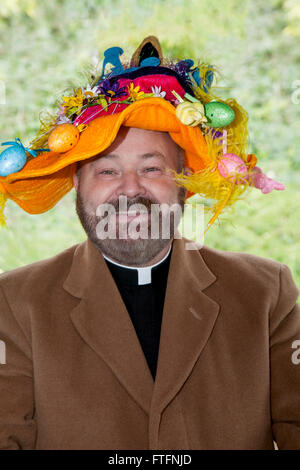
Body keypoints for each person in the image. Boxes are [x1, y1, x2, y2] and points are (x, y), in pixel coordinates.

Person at [0, 36, 299, 450]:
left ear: (183, 181)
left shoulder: (266, 292)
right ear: (76, 183)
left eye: (151, 168)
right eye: (107, 171)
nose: (130, 190)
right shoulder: (15, 302)